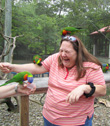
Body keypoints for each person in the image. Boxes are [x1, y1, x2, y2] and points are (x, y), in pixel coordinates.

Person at [0, 35, 106, 126]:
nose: (63, 54)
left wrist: (84, 87)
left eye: (67, 52)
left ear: (78, 53)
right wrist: (12, 67)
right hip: (49, 118)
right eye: (61, 50)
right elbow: (37, 68)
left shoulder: (91, 67)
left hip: (76, 122)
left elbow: (102, 90)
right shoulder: (56, 58)